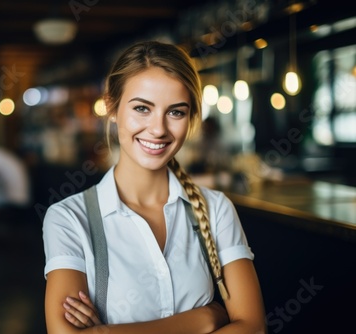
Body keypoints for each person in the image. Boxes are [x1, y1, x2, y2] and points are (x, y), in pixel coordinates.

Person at [42, 41, 266, 333]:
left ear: (191, 118)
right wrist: (206, 319)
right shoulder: (69, 218)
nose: (158, 129)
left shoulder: (216, 209)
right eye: (142, 108)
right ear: (112, 107)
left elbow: (253, 327)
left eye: (176, 112)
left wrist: (109, 331)